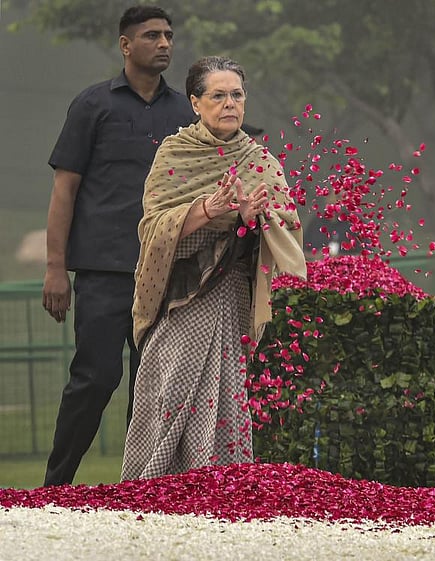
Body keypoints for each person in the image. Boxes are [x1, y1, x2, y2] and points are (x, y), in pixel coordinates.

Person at [121, 56, 307, 480]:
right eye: (218, 95)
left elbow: (287, 231)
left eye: (237, 95)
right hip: (179, 297)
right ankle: (151, 485)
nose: (230, 104)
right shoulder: (175, 153)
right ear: (195, 102)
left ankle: (221, 486)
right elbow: (153, 228)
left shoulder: (259, 162)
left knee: (223, 397)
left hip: (230, 299)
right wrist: (207, 209)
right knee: (166, 388)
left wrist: (251, 219)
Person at [42, 6, 195, 487]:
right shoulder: (93, 105)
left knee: (151, 388)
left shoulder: (186, 113)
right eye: (152, 35)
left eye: (169, 35)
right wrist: (55, 269)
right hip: (104, 271)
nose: (164, 43)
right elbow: (64, 190)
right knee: (96, 378)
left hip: (167, 269)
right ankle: (55, 486)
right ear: (126, 46)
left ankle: (138, 489)